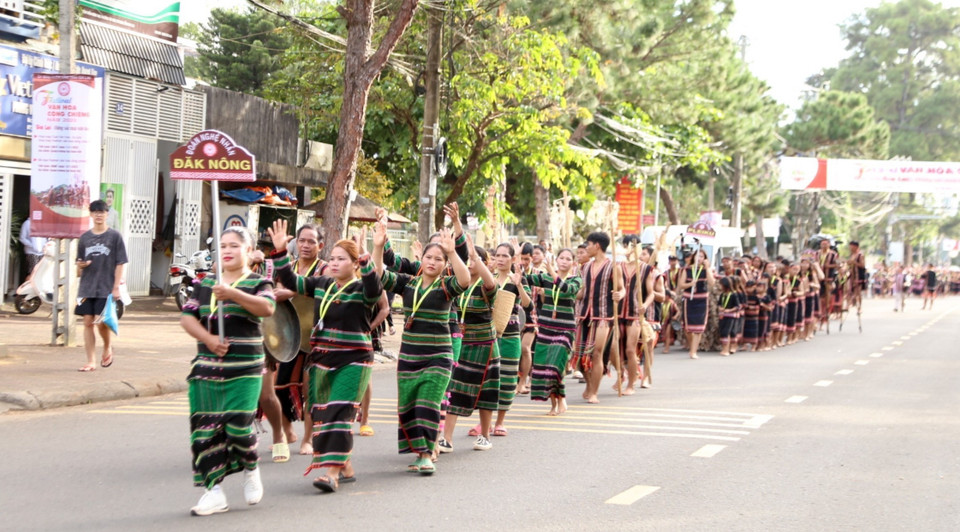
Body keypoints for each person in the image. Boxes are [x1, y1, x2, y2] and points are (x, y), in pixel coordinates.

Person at [180, 226, 275, 516]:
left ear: (248, 251)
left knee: (237, 425)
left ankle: (250, 467)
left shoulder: (258, 282)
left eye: (234, 246)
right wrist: (208, 339)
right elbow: (187, 317)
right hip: (207, 368)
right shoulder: (206, 281)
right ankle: (214, 491)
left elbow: (267, 308)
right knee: (205, 431)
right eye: (222, 246)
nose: (227, 251)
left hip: (244, 367)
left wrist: (232, 293)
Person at [375, 223, 469, 474]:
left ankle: (426, 455)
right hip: (408, 357)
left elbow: (465, 279)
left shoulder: (446, 286)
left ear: (443, 264)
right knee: (409, 406)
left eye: (439, 259)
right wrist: (376, 247)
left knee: (428, 404)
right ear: (422, 259)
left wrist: (452, 253)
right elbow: (379, 277)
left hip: (439, 357)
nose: (433, 262)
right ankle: (419, 452)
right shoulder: (408, 283)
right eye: (429, 257)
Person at [442, 243, 500, 452]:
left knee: (486, 392)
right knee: (455, 389)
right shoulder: (460, 284)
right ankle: (446, 438)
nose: (470, 263)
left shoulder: (487, 286)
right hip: (462, 344)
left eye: (474, 260)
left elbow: (491, 282)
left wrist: (478, 257)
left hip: (486, 345)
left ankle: (485, 435)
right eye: (468, 259)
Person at [525, 248, 581, 415]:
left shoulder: (576, 280)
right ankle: (554, 403)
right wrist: (516, 259)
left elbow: (566, 289)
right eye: (561, 258)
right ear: (556, 260)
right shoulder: (545, 277)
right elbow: (524, 278)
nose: (564, 261)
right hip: (546, 327)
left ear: (573, 263)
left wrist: (551, 272)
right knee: (544, 366)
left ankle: (561, 398)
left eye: (568, 259)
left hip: (565, 329)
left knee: (556, 365)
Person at [75, 199, 128, 372]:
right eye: (95, 212)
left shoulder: (114, 237)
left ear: (107, 214)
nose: (98, 215)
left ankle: (107, 346)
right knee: (88, 322)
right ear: (90, 214)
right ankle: (91, 361)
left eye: (102, 212)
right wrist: (80, 265)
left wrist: (115, 287)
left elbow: (121, 263)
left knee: (101, 322)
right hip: (86, 287)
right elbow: (79, 266)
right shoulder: (85, 238)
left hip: (106, 286)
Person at [492, 243, 531, 436]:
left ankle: (500, 422)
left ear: (512, 259)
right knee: (487, 381)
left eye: (505, 256)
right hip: (489, 336)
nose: (500, 259)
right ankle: (483, 423)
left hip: (510, 336)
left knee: (507, 380)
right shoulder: (488, 279)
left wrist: (519, 285)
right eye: (497, 255)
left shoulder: (516, 279)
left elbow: (527, 304)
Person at [574, 232, 618, 404]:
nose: (586, 247)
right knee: (579, 355)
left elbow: (620, 289)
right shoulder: (585, 267)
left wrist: (619, 294)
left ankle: (594, 392)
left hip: (603, 316)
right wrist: (565, 292)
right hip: (584, 314)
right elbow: (582, 292)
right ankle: (590, 384)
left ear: (597, 246)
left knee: (597, 353)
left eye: (589, 244)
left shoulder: (614, 266)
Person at [678, 249, 714, 359]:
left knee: (699, 328)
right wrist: (690, 283)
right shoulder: (687, 270)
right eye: (697, 256)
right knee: (688, 328)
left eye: (702, 257)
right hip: (689, 300)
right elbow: (681, 285)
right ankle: (691, 346)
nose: (699, 259)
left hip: (702, 300)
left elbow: (712, 283)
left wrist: (707, 268)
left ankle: (693, 351)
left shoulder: (706, 270)